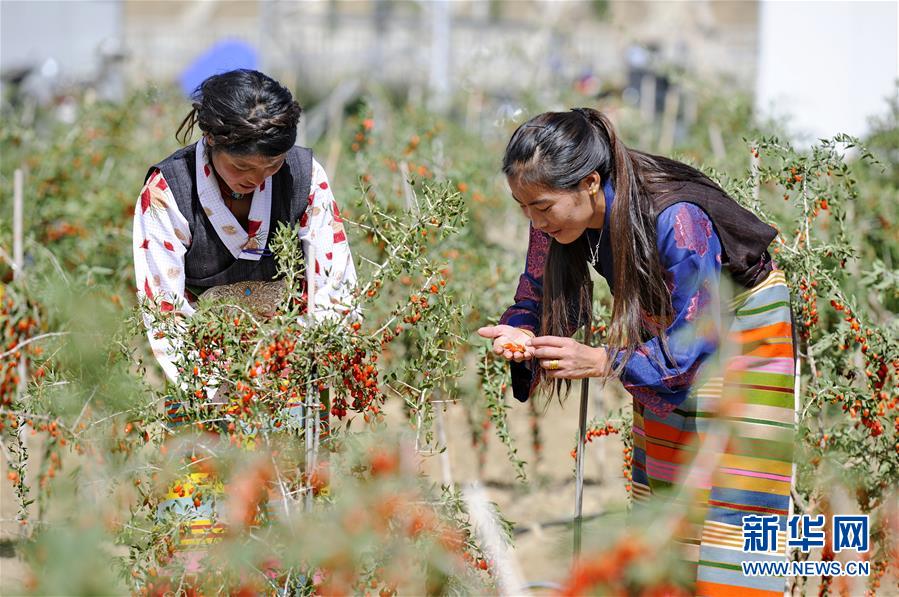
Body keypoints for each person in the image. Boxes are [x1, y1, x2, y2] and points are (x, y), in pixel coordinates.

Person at [478, 108, 795, 596]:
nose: (534, 222)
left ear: (589, 182)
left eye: (541, 208)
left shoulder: (675, 217)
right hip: (671, 323)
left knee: (737, 479)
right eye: (524, 208)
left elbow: (699, 332)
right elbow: (534, 292)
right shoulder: (554, 220)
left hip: (740, 325)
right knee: (670, 475)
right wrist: (518, 331)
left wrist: (607, 360)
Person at [132, 69, 357, 567]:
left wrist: (311, 357)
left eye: (271, 164)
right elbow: (163, 309)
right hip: (201, 367)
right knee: (202, 517)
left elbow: (334, 282)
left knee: (290, 505)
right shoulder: (168, 191)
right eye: (241, 167)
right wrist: (218, 391)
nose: (257, 179)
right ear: (209, 140)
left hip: (287, 358)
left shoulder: (304, 177)